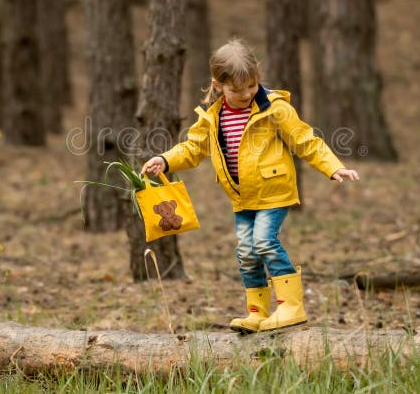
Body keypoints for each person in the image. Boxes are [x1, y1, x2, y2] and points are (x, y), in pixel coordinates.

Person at [141, 40, 360, 333]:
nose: (245, 94)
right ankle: (257, 312)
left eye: (251, 86)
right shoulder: (212, 116)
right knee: (246, 252)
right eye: (237, 89)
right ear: (218, 85)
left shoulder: (274, 108)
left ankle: (291, 307)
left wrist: (334, 167)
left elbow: (304, 139)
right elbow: (192, 148)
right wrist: (165, 160)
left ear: (257, 78)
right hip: (242, 197)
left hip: (274, 192)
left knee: (264, 242)